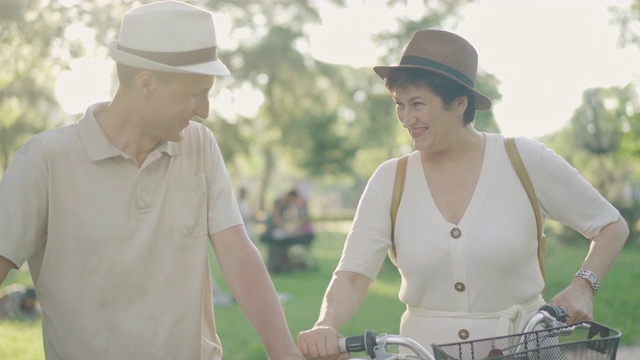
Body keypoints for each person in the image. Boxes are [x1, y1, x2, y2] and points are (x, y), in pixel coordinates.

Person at [298, 29, 629, 359]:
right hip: (423, 352)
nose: (406, 118)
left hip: (525, 349)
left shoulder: (524, 160)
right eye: (400, 105)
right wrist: (325, 325)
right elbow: (353, 275)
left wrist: (584, 285)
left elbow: (610, 225)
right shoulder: (390, 179)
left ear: (459, 102)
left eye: (418, 104)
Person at [0, 2, 301, 359]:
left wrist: (286, 354)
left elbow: (237, 254)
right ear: (147, 82)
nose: (204, 110)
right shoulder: (44, 161)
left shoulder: (199, 146)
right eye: (195, 93)